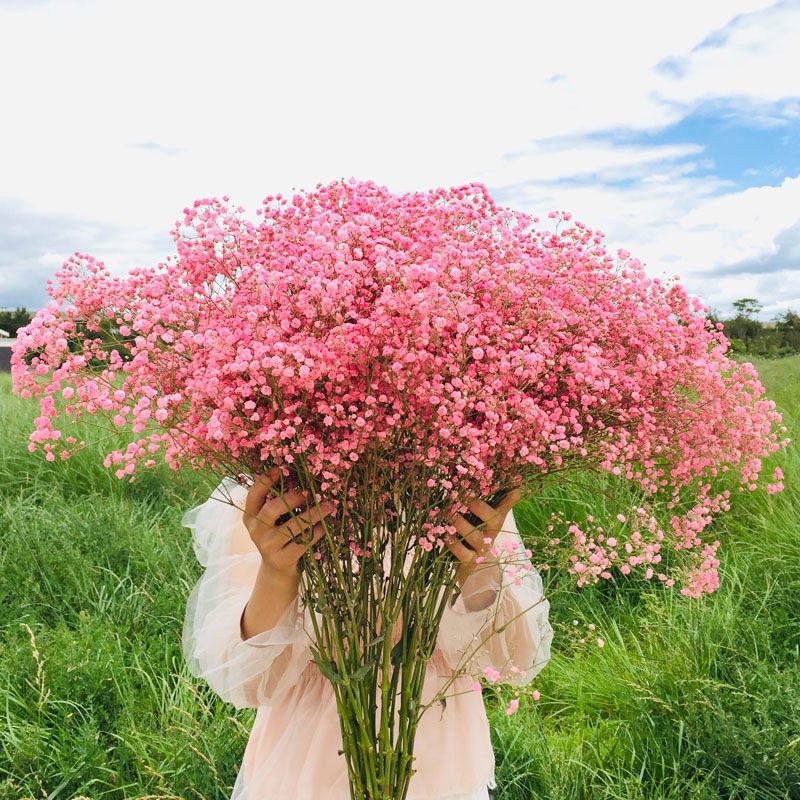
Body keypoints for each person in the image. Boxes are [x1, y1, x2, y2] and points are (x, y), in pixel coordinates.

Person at [182, 467, 553, 799]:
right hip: (306, 770)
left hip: (441, 768)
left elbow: (511, 662)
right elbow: (251, 684)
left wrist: (479, 567)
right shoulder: (276, 495)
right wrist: (277, 575)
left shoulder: (468, 482)